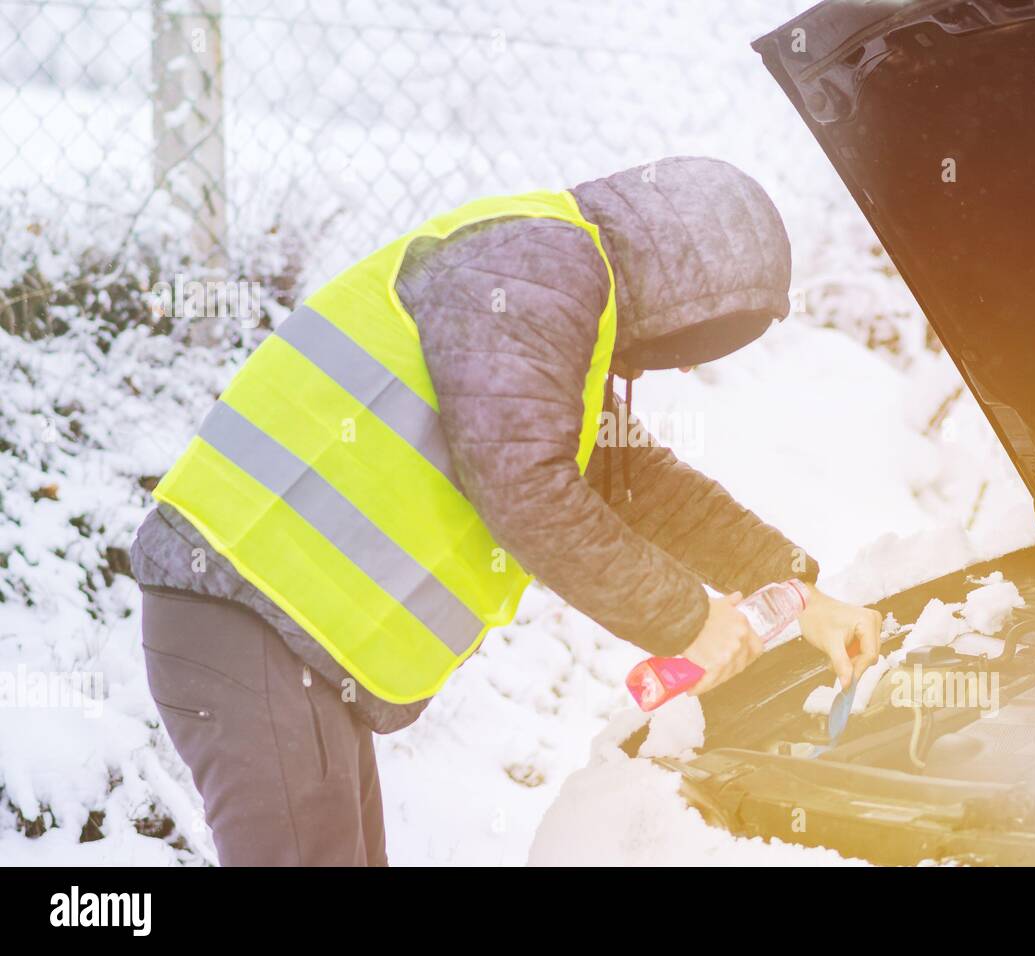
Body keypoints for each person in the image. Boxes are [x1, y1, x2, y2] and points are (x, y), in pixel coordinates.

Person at [130, 156, 882, 865]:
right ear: (685, 286)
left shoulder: (556, 292)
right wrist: (693, 621)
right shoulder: (532, 271)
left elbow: (633, 482)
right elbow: (526, 492)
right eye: (704, 341)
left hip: (284, 631)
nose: (685, 365)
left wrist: (797, 591)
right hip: (246, 609)